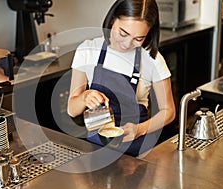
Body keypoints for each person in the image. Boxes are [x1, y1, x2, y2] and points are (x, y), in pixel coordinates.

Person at [67, 0, 176, 156]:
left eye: (138, 38)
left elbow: (169, 111)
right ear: (112, 20)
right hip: (96, 151)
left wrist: (140, 129)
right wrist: (84, 98)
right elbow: (72, 109)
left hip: (137, 153)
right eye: (123, 33)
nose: (126, 44)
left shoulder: (152, 59)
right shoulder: (88, 50)